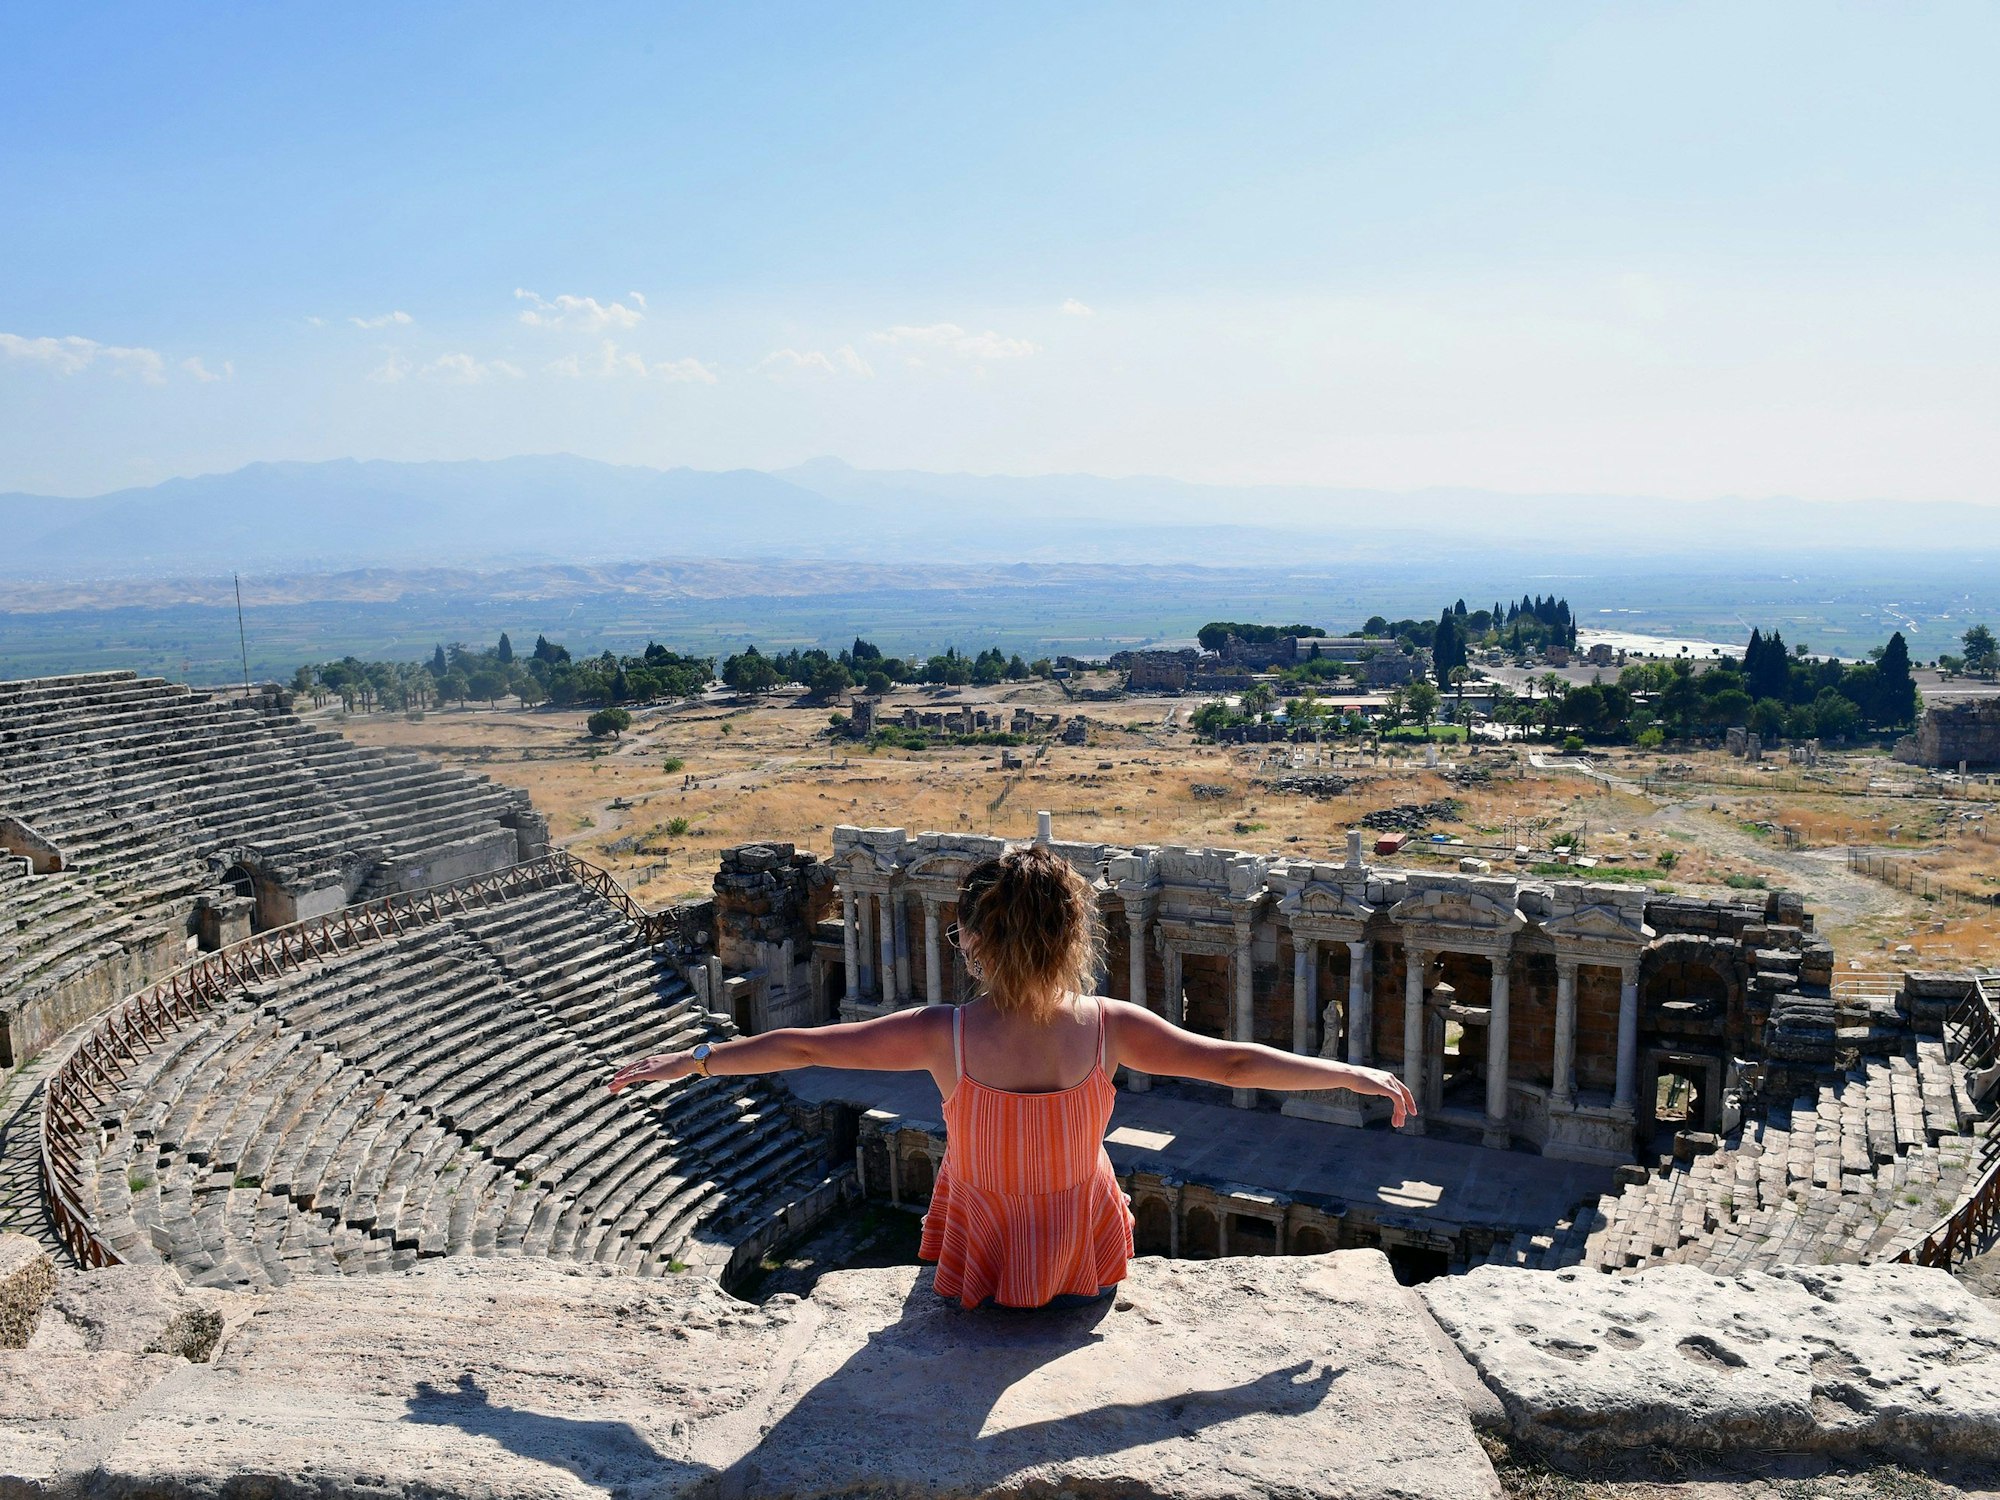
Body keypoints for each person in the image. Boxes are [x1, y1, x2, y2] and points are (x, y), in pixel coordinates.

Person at [610, 844, 1417, 1309]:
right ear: (1072, 939)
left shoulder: (944, 1034)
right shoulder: (1109, 1027)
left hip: (982, 1221)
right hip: (1080, 1224)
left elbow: (805, 1048)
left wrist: (696, 1059)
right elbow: (1234, 1061)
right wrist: (1347, 1072)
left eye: (961, 931)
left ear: (973, 941)